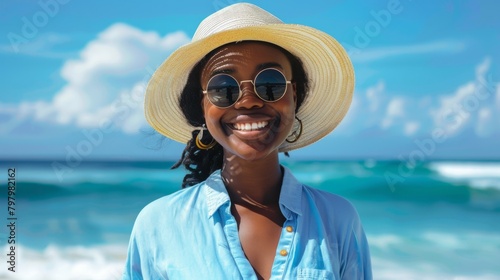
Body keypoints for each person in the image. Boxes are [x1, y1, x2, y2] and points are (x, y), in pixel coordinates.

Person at [123, 3, 372, 279]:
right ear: (202, 106)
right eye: (223, 88)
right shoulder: (158, 225)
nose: (249, 101)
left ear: (295, 96)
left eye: (270, 83)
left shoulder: (338, 220)